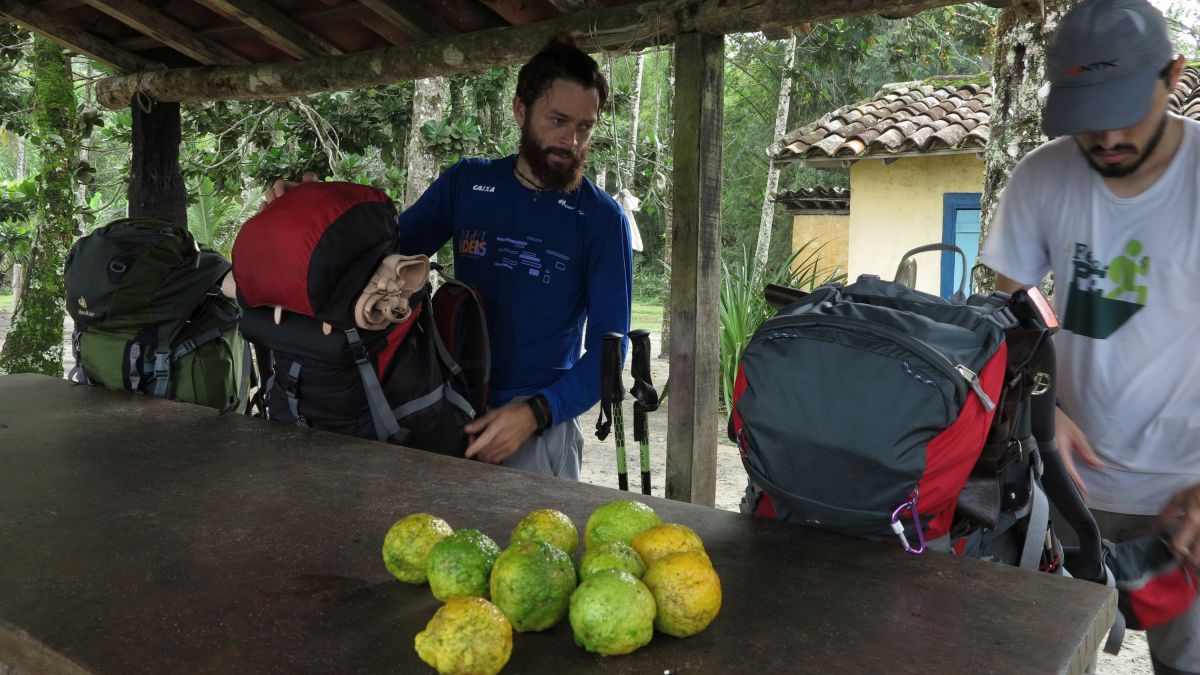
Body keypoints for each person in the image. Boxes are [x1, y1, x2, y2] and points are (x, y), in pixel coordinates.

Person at [269, 36, 633, 478]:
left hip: (539, 429)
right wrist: (308, 208)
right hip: (449, 407)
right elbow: (383, 251)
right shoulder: (469, 184)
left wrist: (537, 412)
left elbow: (610, 350)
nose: (571, 140)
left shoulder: (601, 218)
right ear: (521, 111)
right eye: (558, 120)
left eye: (585, 127)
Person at [979, 0, 1199, 672]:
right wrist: (1043, 411)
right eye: (1086, 116)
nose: (1105, 136)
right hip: (1063, 483)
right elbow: (1007, 312)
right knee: (1040, 658)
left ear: (1173, 76)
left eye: (1124, 109)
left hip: (1188, 497)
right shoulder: (1042, 175)